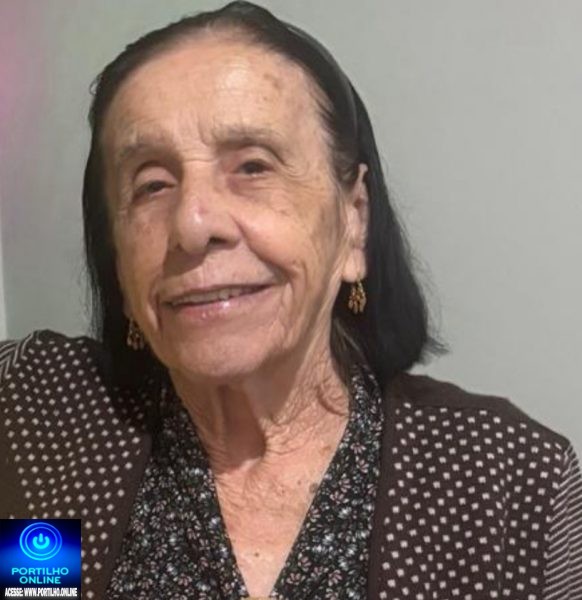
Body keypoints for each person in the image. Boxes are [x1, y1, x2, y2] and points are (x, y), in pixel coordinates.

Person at [1, 2, 581, 598]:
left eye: (253, 167)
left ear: (354, 221)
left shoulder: (515, 481)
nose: (193, 224)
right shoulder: (35, 414)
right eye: (152, 184)